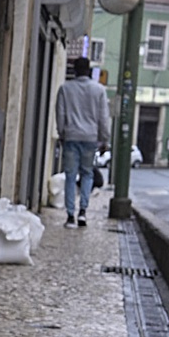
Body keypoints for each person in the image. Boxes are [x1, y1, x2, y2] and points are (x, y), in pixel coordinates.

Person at [55, 56, 111, 227]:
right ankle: (83, 213)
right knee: (87, 174)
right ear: (88, 70)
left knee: (71, 176)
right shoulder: (99, 90)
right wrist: (104, 139)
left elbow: (60, 114)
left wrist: (62, 134)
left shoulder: (65, 88)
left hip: (71, 137)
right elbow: (103, 117)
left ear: (74, 70)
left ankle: (70, 215)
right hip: (90, 138)